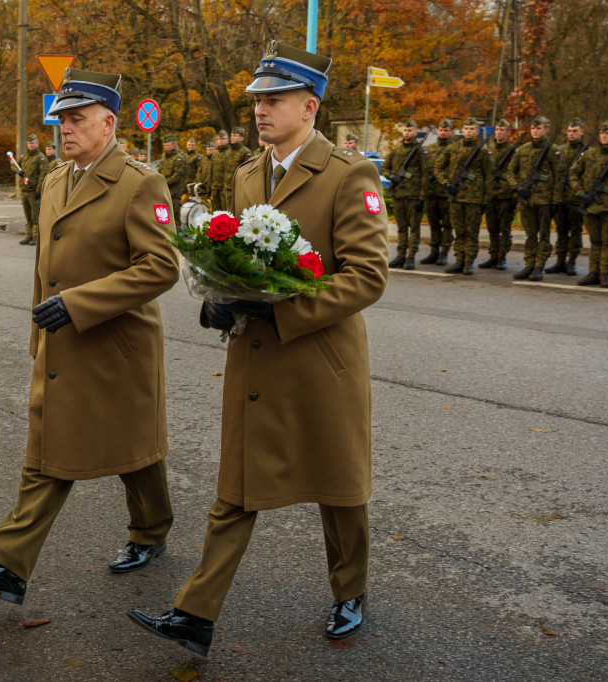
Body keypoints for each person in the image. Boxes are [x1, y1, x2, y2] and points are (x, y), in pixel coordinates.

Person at [128, 40, 388, 654]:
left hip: (320, 359)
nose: (260, 110)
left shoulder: (350, 175)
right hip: (256, 357)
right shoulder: (249, 173)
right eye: (257, 101)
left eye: (274, 100)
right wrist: (219, 300)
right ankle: (196, 614)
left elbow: (367, 276)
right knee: (236, 490)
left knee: (339, 486)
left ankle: (350, 590)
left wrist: (282, 306)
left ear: (310, 106)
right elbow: (236, 261)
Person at [0, 66, 180, 607]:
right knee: (55, 449)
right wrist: (39, 333)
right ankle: (10, 565)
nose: (65, 130)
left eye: (77, 119)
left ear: (109, 123)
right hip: (61, 341)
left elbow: (159, 267)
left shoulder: (140, 182)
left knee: (131, 446)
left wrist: (77, 304)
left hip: (116, 344)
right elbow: (45, 268)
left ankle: (146, 532)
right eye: (61, 121)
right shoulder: (55, 178)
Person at [572, 121, 608, 288]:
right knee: (594, 241)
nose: (604, 136)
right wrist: (580, 192)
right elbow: (573, 174)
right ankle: (593, 273)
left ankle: (605, 273)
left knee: (607, 242)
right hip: (591, 206)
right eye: (602, 133)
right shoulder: (589, 155)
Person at [434, 116, 490, 275]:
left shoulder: (482, 152)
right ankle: (459, 260)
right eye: (466, 129)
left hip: (474, 199)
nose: (468, 132)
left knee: (471, 232)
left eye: (472, 129)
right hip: (456, 197)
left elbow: (489, 177)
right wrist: (446, 184)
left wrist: (485, 200)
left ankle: (469, 262)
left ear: (477, 131)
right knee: (459, 231)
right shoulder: (452, 149)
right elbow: (438, 168)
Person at [509, 115, 560, 281]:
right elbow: (510, 172)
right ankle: (529, 264)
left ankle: (539, 266)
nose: (535, 131)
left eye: (539, 128)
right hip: (527, 200)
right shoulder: (523, 150)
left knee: (543, 235)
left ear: (546, 129)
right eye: (533, 128)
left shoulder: (554, 150)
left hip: (544, 201)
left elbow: (560, 177)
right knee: (530, 235)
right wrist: (518, 187)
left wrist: (556, 201)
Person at [382, 119, 428, 269]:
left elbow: (425, 174)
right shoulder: (396, 150)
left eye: (410, 131)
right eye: (405, 130)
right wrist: (391, 177)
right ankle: (400, 255)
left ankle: (411, 257)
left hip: (414, 196)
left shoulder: (419, 150)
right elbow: (384, 169)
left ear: (415, 132)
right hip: (399, 195)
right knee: (401, 228)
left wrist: (422, 197)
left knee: (414, 228)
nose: (407, 133)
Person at [549, 119, 588, 276]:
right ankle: (560, 261)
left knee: (576, 232)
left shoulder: (588, 152)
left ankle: (572, 262)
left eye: (575, 131)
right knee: (561, 231)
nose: (571, 134)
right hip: (560, 197)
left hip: (576, 199)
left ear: (582, 132)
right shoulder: (560, 150)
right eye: (570, 131)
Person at [481, 119, 516, 270]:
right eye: (497, 130)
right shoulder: (489, 149)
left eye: (503, 130)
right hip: (491, 195)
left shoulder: (513, 151)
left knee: (505, 229)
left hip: (506, 195)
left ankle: (502, 257)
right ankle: (493, 256)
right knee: (492, 229)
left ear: (508, 132)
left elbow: (514, 173)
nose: (499, 133)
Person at [423, 119, 455, 265]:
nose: (443, 133)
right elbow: (425, 170)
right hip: (432, 193)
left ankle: (444, 253)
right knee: (434, 224)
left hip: (446, 194)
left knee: (447, 225)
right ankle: (434, 251)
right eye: (441, 130)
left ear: (451, 132)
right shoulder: (430, 149)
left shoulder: (455, 148)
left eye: (446, 130)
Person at [16, 134, 48, 243]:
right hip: (25, 190)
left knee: (36, 215)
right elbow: (14, 165)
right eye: (29, 143)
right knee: (28, 215)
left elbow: (43, 175)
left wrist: (39, 190)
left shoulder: (41, 158)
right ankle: (29, 235)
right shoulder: (24, 157)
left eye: (33, 143)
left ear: (37, 144)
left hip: (34, 191)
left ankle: (36, 236)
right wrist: (18, 171)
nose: (30, 145)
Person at [158, 134, 187, 228]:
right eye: (164, 146)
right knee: (163, 212)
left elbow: (178, 174)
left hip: (174, 190)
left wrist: (166, 181)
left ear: (173, 145)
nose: (165, 148)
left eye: (167, 145)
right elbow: (160, 170)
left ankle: (177, 230)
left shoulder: (179, 158)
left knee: (174, 211)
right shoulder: (164, 156)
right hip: (163, 189)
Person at [222, 126, 253, 211]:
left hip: (239, 189)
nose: (232, 137)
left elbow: (249, 172)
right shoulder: (228, 152)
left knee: (238, 213)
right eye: (231, 135)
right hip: (227, 188)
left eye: (235, 135)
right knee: (228, 214)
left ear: (241, 138)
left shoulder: (246, 152)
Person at [209, 129, 229, 212]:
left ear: (228, 140)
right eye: (219, 139)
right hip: (215, 187)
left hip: (225, 188)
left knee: (226, 211)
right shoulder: (215, 154)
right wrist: (209, 185)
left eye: (223, 139)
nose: (220, 141)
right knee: (216, 212)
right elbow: (211, 170)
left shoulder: (229, 153)